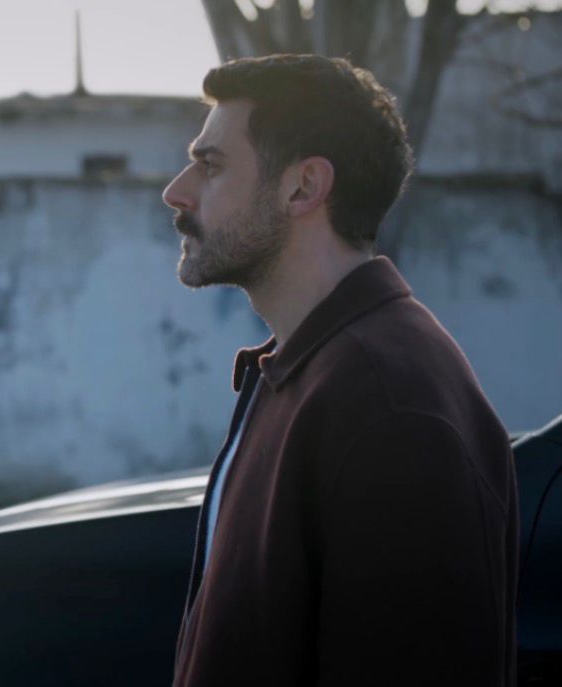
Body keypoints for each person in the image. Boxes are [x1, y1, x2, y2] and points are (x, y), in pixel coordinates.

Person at [162, 54, 516, 686]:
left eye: (211, 165)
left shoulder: (389, 405)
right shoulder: (309, 368)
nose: (177, 192)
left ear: (303, 187)